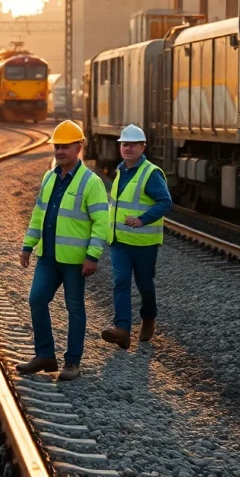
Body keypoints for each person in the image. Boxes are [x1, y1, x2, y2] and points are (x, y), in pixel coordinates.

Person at [18, 120, 109, 380]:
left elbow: (101, 223)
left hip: (74, 260)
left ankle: (73, 362)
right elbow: (38, 215)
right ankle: (45, 355)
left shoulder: (91, 183)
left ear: (79, 147)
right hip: (47, 257)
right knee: (36, 299)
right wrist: (27, 246)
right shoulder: (49, 177)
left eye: (65, 147)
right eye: (57, 147)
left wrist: (92, 255)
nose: (59, 152)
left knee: (75, 308)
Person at [100, 124, 173, 349]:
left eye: (132, 144)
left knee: (144, 285)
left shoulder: (151, 174)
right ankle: (122, 329)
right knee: (120, 281)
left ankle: (149, 317)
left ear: (143, 147)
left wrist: (143, 219)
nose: (128, 147)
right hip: (119, 241)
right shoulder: (121, 170)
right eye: (124, 144)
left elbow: (165, 202)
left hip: (143, 243)